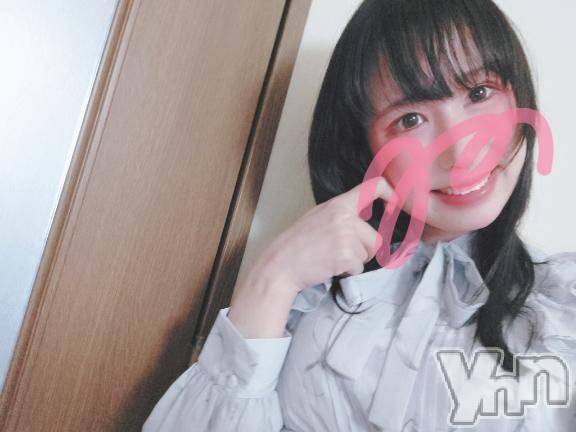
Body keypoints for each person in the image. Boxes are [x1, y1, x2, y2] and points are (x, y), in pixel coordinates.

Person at [142, 0, 576, 430]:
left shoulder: (565, 305)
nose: (461, 152)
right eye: (410, 119)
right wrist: (273, 278)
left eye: (479, 94)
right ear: (364, 147)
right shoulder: (303, 304)